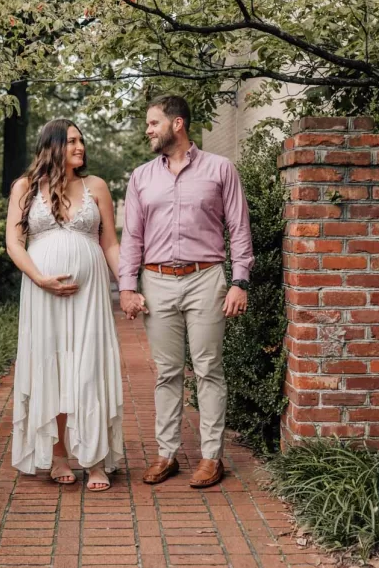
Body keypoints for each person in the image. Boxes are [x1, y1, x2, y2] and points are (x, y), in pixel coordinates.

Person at [118, 95, 253, 489]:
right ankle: (167, 454)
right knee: (167, 372)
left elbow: (239, 228)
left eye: (153, 123)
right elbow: (132, 237)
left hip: (205, 279)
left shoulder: (220, 169)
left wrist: (239, 281)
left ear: (177, 124)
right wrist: (127, 287)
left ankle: (211, 457)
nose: (148, 130)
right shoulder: (141, 177)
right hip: (157, 281)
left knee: (209, 368)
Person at [5, 118, 125, 491]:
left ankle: (95, 459)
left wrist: (129, 285)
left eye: (81, 140)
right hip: (42, 294)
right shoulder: (25, 187)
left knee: (89, 368)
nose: (80, 147)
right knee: (51, 369)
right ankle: (58, 456)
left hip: (90, 297)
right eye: (72, 141)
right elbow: (14, 244)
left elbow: (110, 244)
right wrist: (40, 278)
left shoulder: (96, 186)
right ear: (52, 145)